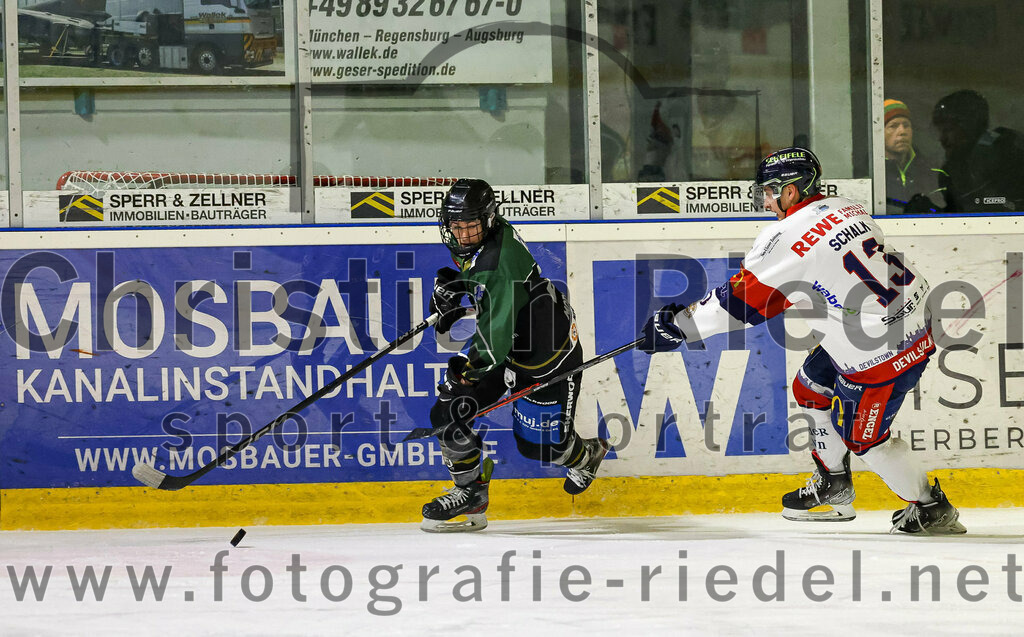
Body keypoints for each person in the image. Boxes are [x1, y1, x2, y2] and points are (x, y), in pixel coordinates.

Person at [638, 147, 966, 535]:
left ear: (791, 191)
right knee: (809, 385)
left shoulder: (785, 237)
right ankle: (835, 482)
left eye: (769, 191)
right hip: (904, 323)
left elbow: (738, 306)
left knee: (865, 441)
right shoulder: (848, 207)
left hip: (880, 354)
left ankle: (931, 508)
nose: (764, 200)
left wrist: (678, 326)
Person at [420, 178, 608, 533]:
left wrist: (465, 374)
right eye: (456, 227)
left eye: (470, 226)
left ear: (489, 220)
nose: (462, 235)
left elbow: (491, 346)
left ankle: (587, 455)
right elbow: (487, 294)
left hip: (549, 357)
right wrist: (455, 286)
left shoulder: (496, 263)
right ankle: (470, 493)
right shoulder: (486, 238)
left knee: (543, 450)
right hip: (513, 342)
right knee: (448, 411)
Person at [932, 89, 1024, 213]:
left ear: (970, 127)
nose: (942, 139)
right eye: (940, 131)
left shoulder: (1008, 154)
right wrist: (932, 211)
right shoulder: (951, 172)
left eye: (948, 130)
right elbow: (962, 217)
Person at [882, 99, 943, 214]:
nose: (902, 131)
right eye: (893, 126)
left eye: (906, 125)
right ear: (879, 132)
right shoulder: (867, 175)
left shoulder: (934, 172)